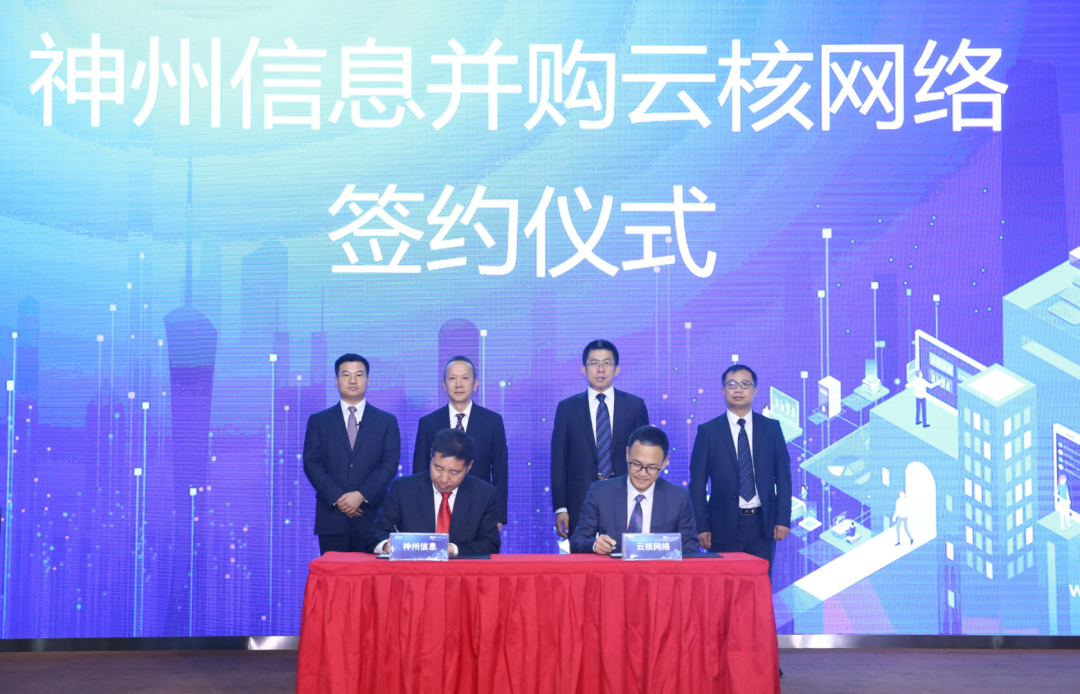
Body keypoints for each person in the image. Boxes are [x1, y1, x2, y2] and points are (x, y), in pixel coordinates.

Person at [689, 364, 792, 574]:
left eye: (745, 384)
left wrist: (782, 519)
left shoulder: (771, 428)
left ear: (755, 390)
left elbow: (784, 477)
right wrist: (702, 525)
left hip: (763, 524)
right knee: (724, 586)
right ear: (722, 390)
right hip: (722, 525)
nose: (738, 389)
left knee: (760, 584)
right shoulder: (708, 432)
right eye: (732, 384)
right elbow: (697, 485)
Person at [551, 340, 650, 539]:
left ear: (617, 369)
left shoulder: (635, 406)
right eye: (594, 363)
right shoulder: (567, 409)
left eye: (607, 363)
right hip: (580, 500)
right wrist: (561, 507)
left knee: (624, 554)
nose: (601, 369)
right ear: (584, 369)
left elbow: (646, 457)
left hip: (627, 498)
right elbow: (559, 461)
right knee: (583, 555)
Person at [303, 354, 401, 555]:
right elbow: (312, 463)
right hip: (332, 518)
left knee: (373, 575)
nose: (353, 380)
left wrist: (361, 495)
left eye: (359, 374)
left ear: (368, 379)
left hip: (373, 518)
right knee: (333, 574)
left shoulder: (386, 421)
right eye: (346, 375)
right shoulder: (318, 421)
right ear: (336, 380)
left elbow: (390, 464)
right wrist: (339, 498)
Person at [570, 425, 699, 555]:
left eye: (652, 467)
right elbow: (577, 542)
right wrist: (594, 545)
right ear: (627, 454)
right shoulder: (600, 492)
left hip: (658, 568)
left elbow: (690, 549)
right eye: (637, 464)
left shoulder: (678, 498)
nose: (642, 473)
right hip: (614, 568)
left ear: (664, 462)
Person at [371, 428, 501, 556]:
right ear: (431, 457)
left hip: (462, 569)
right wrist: (386, 545)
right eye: (438, 468)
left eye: (454, 472)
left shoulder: (484, 494)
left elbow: (490, 544)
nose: (444, 479)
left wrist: (448, 549)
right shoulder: (402, 489)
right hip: (413, 568)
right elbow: (376, 533)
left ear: (469, 466)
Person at [413, 356, 508, 531]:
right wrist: (419, 513)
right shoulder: (428, 422)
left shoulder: (492, 421)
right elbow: (420, 471)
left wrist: (498, 516)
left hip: (480, 509)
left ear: (475, 384)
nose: (458, 384)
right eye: (452, 378)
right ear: (444, 385)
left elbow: (500, 471)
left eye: (465, 378)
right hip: (438, 510)